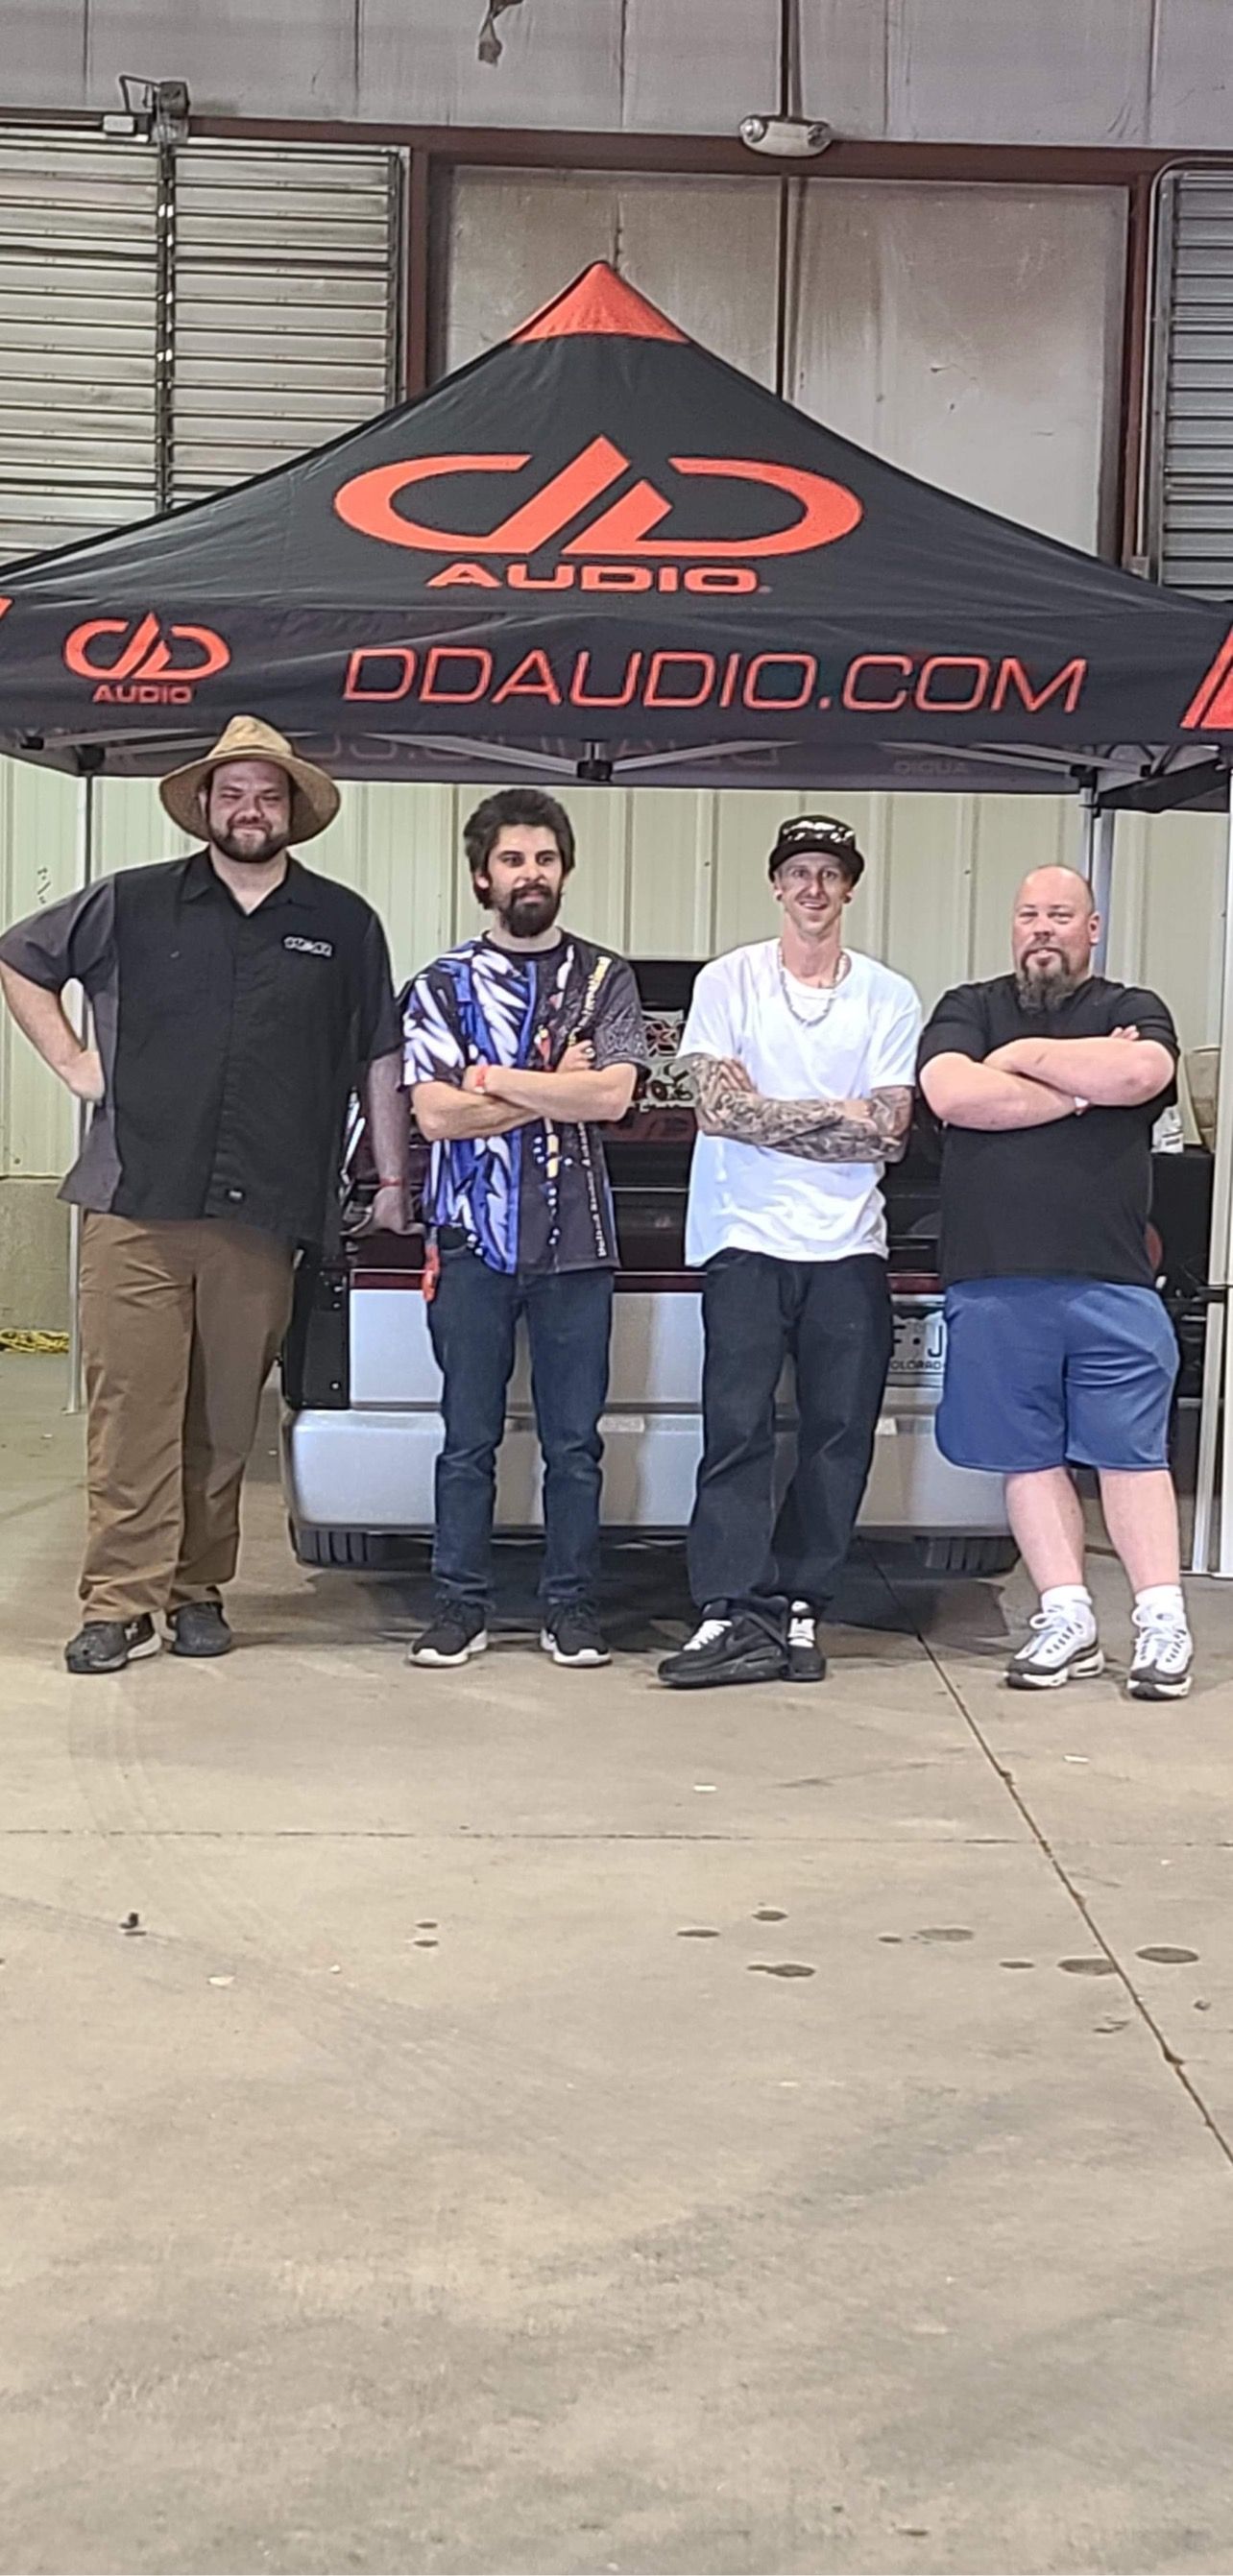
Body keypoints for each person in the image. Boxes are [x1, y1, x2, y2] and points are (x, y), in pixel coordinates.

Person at [0, 715, 407, 1675]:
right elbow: (21, 958)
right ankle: (118, 1603)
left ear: (293, 811)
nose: (250, 809)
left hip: (263, 1214)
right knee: (131, 1412)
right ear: (206, 807)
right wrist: (72, 1063)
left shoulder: (343, 924)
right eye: (233, 793)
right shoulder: (132, 905)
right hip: (135, 1203)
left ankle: (196, 1591)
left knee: (225, 1420)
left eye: (268, 794)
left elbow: (378, 1057)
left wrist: (391, 1179)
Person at [658, 814, 922, 1690]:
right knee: (734, 1429)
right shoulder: (729, 981)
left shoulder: (888, 995)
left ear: (851, 888)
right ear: (776, 884)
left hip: (850, 1247)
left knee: (837, 1433)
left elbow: (887, 1135)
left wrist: (789, 1114)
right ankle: (727, 1606)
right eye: (799, 872)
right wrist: (834, 1111)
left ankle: (804, 1604)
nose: (814, 888)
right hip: (743, 1238)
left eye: (830, 874)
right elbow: (719, 1111)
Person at [918, 865, 1192, 1698]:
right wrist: (1079, 1089)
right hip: (994, 1280)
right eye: (1028, 912)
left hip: (1112, 1280)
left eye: (1060, 915)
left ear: (1092, 927)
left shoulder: (1133, 1008)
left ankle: (1161, 1622)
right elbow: (951, 1091)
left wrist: (1028, 1060)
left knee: (1132, 1454)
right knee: (1026, 1456)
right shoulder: (967, 1006)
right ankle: (1066, 1614)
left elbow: (1141, 1075)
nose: (1042, 928)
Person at [402, 787, 647, 1672]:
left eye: (544, 858)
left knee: (574, 1443)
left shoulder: (604, 978)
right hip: (470, 1240)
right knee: (467, 1437)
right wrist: (551, 1082)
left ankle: (571, 1608)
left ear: (565, 871)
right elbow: (433, 1117)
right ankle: (457, 1606)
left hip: (578, 1243)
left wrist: (495, 1079)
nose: (530, 873)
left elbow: (613, 1096)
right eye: (512, 859)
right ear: (482, 876)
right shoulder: (439, 985)